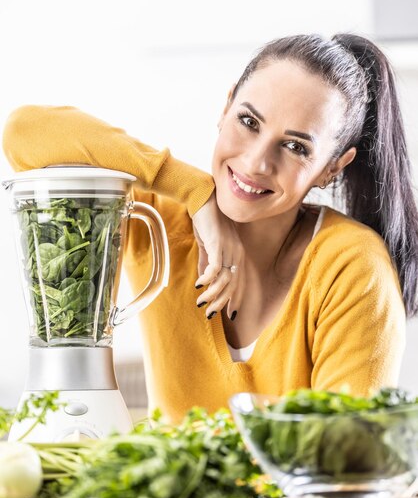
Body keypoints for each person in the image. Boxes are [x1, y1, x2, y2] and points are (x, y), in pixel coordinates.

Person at [3, 33, 418, 423]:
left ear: (332, 167)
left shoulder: (353, 267)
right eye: (249, 122)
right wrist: (194, 193)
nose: (257, 162)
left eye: (295, 147)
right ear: (225, 109)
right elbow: (24, 132)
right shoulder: (159, 218)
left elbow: (341, 453)